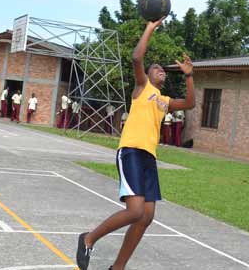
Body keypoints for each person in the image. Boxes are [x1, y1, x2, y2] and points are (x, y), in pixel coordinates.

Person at [76, 18, 195, 270]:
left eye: (163, 68)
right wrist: (150, 28)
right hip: (130, 151)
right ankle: (88, 238)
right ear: (148, 75)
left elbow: (190, 103)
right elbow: (137, 58)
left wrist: (189, 76)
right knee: (134, 211)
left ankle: (117, 267)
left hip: (148, 157)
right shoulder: (142, 88)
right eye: (155, 67)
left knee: (147, 216)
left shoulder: (164, 100)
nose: (160, 68)